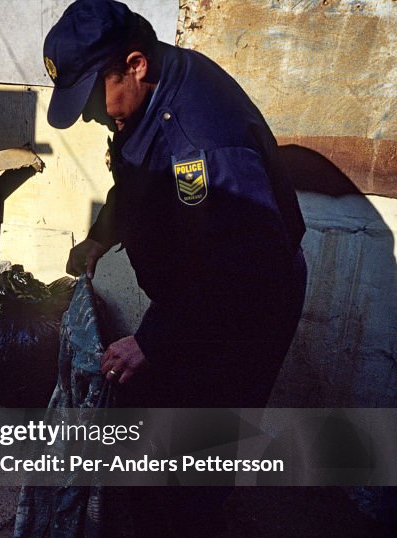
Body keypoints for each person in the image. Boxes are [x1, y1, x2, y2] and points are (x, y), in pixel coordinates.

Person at [44, 0, 306, 409]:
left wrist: (154, 339)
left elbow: (247, 266)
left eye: (93, 98)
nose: (89, 117)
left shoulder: (200, 146)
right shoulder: (153, 85)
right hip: (196, 301)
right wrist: (100, 236)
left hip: (245, 307)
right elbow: (139, 179)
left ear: (136, 65)